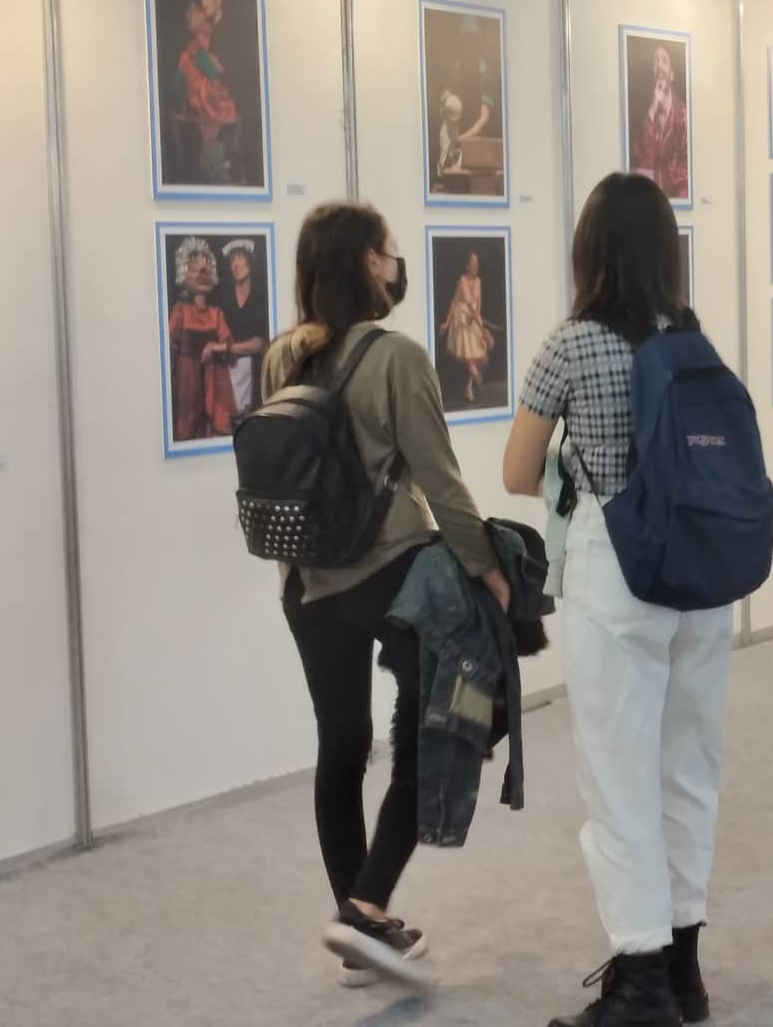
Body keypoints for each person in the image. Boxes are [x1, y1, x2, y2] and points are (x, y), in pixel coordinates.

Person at [503, 172, 734, 1027]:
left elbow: (517, 471)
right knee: (688, 770)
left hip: (617, 571)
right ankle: (685, 973)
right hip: (703, 579)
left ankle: (638, 985)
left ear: (589, 250)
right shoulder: (695, 337)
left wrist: (577, 460)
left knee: (617, 776)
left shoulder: (572, 345)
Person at [260, 202, 510, 989]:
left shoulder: (279, 359)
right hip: (389, 573)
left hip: (304, 583)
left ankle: (358, 923)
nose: (398, 265)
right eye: (391, 253)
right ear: (370, 263)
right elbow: (440, 479)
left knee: (340, 747)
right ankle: (365, 909)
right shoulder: (397, 357)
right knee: (431, 728)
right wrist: (486, 567)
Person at [167, 239, 237, 442]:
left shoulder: (216, 313)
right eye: (195, 268)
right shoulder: (180, 310)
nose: (202, 274)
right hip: (187, 379)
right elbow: (168, 344)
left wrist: (216, 348)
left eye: (206, 269)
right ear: (184, 272)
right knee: (186, 426)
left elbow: (229, 344)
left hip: (215, 378)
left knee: (219, 424)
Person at [174, 0, 240, 185]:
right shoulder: (195, 47)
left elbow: (220, 72)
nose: (203, 4)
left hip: (216, 102)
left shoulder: (223, 34)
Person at [216, 239, 269, 416]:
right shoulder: (223, 295)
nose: (236, 264)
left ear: (250, 262)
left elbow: (260, 343)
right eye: (232, 260)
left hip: (254, 372)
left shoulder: (261, 296)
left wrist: (228, 347)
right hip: (226, 370)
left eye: (240, 257)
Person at [633, 45, 690, 201]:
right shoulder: (643, 115)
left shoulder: (684, 115)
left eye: (664, 61)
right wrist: (652, 110)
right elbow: (641, 164)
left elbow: (686, 171)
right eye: (655, 62)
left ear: (672, 74)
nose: (659, 66)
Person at [440, 250, 497, 404]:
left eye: (477, 263)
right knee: (469, 353)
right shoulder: (462, 281)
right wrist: (446, 322)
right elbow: (454, 302)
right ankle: (474, 379)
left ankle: (468, 386)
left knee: (480, 354)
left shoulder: (479, 281)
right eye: (472, 263)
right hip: (461, 320)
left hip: (474, 319)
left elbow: (479, 304)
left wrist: (476, 317)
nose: (475, 266)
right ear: (467, 265)